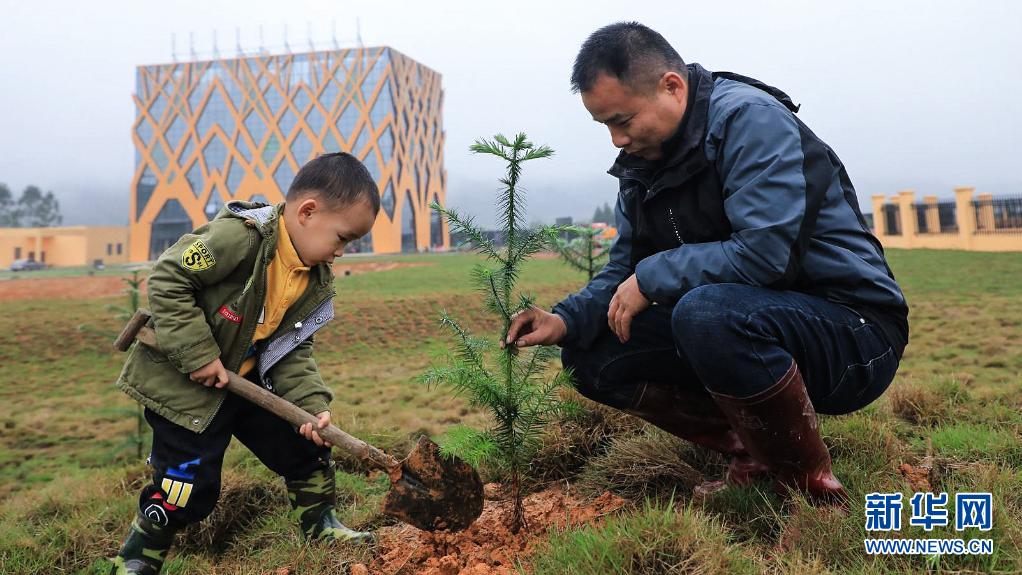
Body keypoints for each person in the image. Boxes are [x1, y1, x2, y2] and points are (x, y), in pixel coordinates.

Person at [505, 22, 909, 504]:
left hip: (852, 330)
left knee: (706, 312)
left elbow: (765, 257)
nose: (616, 139)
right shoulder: (644, 161)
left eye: (624, 120)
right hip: (749, 320)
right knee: (594, 354)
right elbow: (625, 270)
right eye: (605, 126)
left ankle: (810, 492)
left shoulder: (750, 121)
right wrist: (565, 319)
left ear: (671, 86)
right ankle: (758, 452)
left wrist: (652, 277)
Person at [109, 152, 379, 575]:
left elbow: (292, 347)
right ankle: (139, 556)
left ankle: (320, 524)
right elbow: (168, 278)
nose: (341, 252)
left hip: (249, 385)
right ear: (308, 212)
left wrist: (311, 405)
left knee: (306, 445)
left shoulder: (313, 276)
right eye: (342, 238)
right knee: (186, 487)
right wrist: (199, 354)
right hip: (187, 390)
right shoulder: (242, 238)